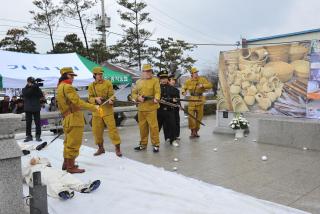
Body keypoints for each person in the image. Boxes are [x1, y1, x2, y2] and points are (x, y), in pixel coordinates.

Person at [56, 67, 99, 174]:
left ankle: (66, 163)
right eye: (71, 76)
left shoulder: (59, 87)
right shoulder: (68, 87)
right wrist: (94, 107)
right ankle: (71, 167)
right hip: (74, 118)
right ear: (66, 75)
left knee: (68, 142)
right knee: (74, 143)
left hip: (66, 117)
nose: (73, 78)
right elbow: (78, 102)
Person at [23, 157, 101, 200]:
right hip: (40, 174)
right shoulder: (28, 168)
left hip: (53, 171)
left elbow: (47, 161)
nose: (33, 160)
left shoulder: (42, 162)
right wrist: (29, 164)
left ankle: (84, 187)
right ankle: (63, 192)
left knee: (66, 176)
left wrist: (37, 159)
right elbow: (22, 174)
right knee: (52, 181)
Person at [88, 66, 122, 157]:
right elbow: (90, 98)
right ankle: (100, 148)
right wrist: (96, 99)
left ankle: (117, 147)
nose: (100, 76)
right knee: (97, 131)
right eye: (98, 74)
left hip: (107, 110)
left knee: (112, 129)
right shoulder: (91, 86)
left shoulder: (108, 83)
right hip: (97, 111)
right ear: (94, 75)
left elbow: (112, 95)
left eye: (101, 74)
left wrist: (111, 100)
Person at [131, 64, 161, 153]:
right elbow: (133, 93)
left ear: (151, 72)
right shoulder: (138, 82)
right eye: (146, 71)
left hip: (151, 107)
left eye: (149, 71)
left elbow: (157, 92)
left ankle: (156, 144)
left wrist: (157, 98)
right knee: (142, 127)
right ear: (142, 72)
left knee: (153, 127)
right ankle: (143, 144)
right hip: (141, 108)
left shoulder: (155, 81)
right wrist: (138, 98)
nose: (148, 73)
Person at [181, 67, 212, 138]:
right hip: (192, 100)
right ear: (191, 74)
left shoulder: (202, 79)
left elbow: (210, 85)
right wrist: (183, 92)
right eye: (195, 73)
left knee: (199, 118)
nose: (196, 74)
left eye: (197, 72)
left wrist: (203, 85)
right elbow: (184, 87)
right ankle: (192, 131)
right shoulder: (188, 81)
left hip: (200, 100)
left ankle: (196, 131)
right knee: (191, 117)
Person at [157, 71, 178, 147]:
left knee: (172, 125)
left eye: (165, 78)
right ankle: (155, 142)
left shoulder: (172, 88)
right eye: (162, 78)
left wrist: (175, 100)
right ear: (159, 79)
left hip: (169, 110)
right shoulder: (157, 88)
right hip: (159, 110)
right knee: (157, 127)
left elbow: (176, 96)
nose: (164, 80)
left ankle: (173, 140)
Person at [22, 77, 44, 142]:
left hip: (36, 108)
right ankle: (29, 136)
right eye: (30, 82)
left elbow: (40, 95)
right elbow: (27, 94)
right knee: (28, 123)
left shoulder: (37, 88)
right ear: (28, 82)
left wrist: (36, 87)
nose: (31, 83)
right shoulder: (24, 89)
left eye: (32, 82)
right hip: (28, 108)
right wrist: (33, 87)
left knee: (38, 123)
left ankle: (38, 136)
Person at [169, 74, 181, 141]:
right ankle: (170, 136)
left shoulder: (176, 90)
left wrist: (179, 105)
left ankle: (177, 135)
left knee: (177, 121)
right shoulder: (166, 88)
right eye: (172, 80)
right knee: (170, 123)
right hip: (169, 108)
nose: (173, 81)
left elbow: (178, 99)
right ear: (169, 81)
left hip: (176, 107)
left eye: (174, 80)